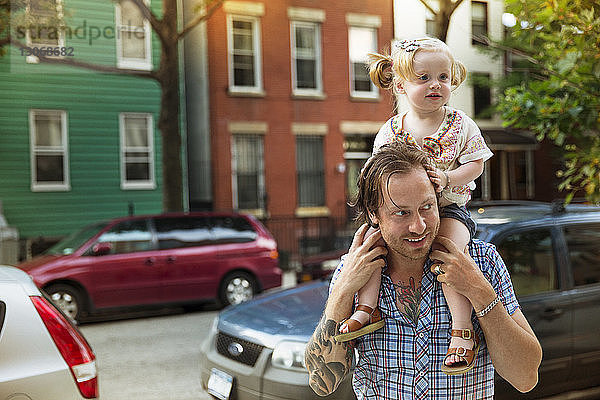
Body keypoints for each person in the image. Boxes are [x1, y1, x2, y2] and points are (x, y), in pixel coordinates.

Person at [304, 141, 542, 399]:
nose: (418, 226)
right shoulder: (355, 271)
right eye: (401, 213)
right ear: (374, 213)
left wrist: (479, 291)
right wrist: (343, 290)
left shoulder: (483, 261)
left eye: (427, 207)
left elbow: (526, 378)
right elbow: (322, 384)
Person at [336, 37, 494, 375]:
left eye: (443, 77)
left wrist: (449, 178)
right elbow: (377, 170)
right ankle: (367, 308)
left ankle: (462, 329)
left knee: (449, 252)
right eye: (423, 78)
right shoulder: (391, 130)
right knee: (369, 246)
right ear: (401, 84)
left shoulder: (460, 124)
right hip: (401, 211)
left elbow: (476, 163)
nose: (435, 85)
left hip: (449, 207)